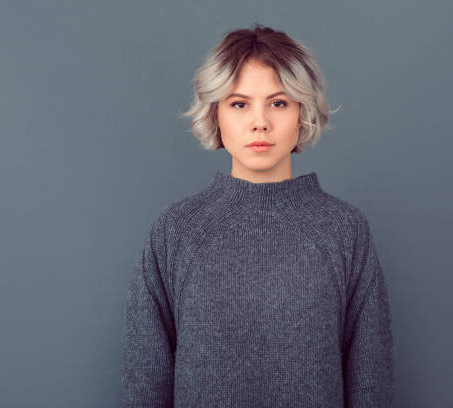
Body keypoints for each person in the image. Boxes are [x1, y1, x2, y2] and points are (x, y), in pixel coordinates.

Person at [120, 23, 395, 407]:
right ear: (216, 114)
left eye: (279, 102)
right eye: (239, 103)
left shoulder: (344, 229)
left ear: (303, 112)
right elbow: (145, 378)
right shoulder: (176, 230)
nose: (260, 122)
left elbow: (372, 379)